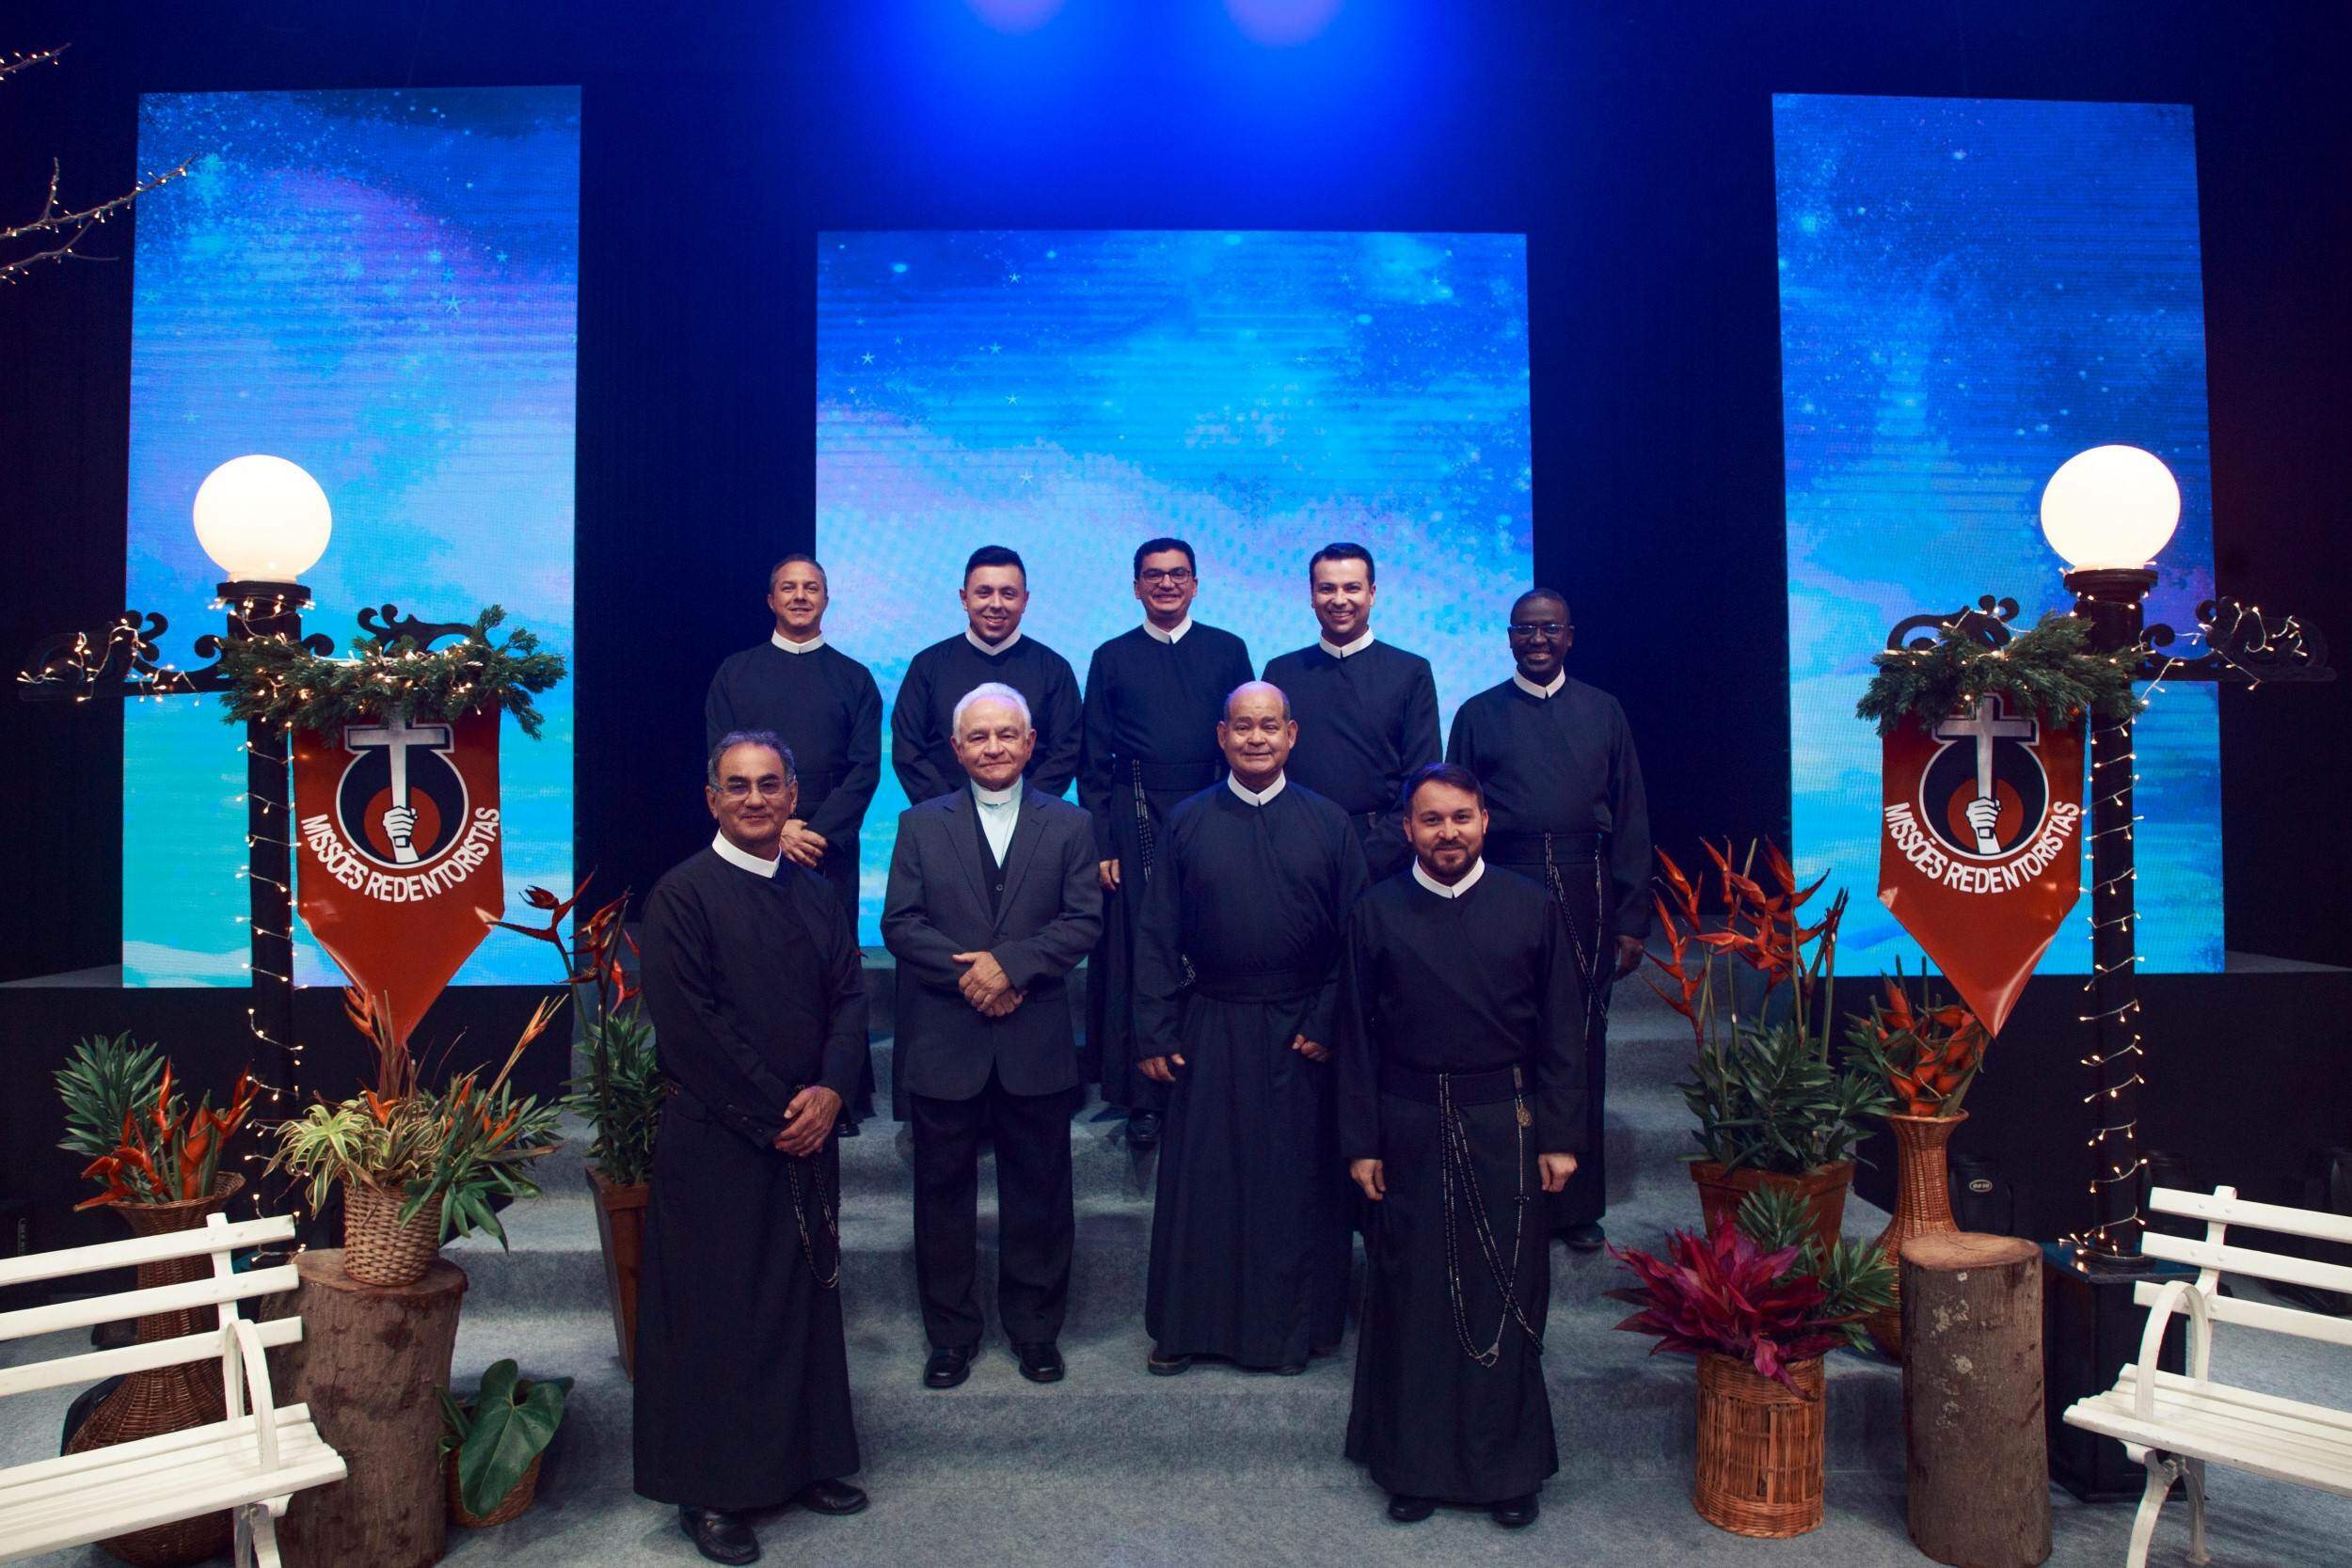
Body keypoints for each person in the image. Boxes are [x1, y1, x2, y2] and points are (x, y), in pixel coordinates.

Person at [634, 731, 871, 1564]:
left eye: (770, 784)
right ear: (712, 799)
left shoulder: (816, 894)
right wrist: (781, 1110)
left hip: (808, 1129)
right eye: (738, 785)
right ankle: (715, 1491)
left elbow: (850, 998)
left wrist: (832, 1089)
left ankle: (803, 1461)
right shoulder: (682, 896)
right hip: (722, 1139)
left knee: (802, 1303)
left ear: (793, 795)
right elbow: (692, 1027)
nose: (756, 798)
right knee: (720, 1311)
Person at [1335, 763, 1584, 1530]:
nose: (1448, 832)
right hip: (1406, 1122)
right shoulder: (1374, 911)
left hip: (1504, 1119)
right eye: (1432, 819)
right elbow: (1355, 1037)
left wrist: (1561, 1137)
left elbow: (1562, 1033)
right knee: (1412, 1295)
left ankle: (1507, 1471)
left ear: (1485, 821)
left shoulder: (1532, 906)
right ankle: (1412, 1466)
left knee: (1502, 1296)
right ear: (1408, 828)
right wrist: (1362, 1141)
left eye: (1461, 817)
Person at [1135, 681, 1367, 1375]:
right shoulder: (1187, 821)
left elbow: (1357, 938)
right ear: (1222, 736)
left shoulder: (1330, 822)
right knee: (1204, 1183)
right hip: (1211, 1021)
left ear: (1291, 735)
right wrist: (1154, 1029)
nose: (1256, 738)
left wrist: (1327, 1018)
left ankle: (1293, 1331)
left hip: (1302, 1029)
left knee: (1295, 1184)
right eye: (1243, 726)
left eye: (1269, 725)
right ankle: (1189, 1327)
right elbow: (1156, 932)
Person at [882, 682, 1103, 1391]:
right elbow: (901, 923)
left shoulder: (1070, 823)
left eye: (1007, 734)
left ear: (1030, 743)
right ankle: (950, 1337)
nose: (993, 747)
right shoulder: (919, 823)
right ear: (956, 748)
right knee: (941, 1196)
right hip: (946, 1040)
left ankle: (1036, 1331)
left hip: (1034, 1039)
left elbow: (1083, 921)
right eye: (978, 736)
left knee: (1040, 1193)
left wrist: (1011, 967)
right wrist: (976, 977)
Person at [1445, 588, 1649, 1251]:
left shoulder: (1604, 709)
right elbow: (1454, 814)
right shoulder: (1477, 713)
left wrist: (1632, 917)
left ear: (1569, 636)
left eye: (1549, 629)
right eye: (1524, 629)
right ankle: (1502, 1193)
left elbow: (1631, 816)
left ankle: (1575, 1205)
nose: (1536, 640)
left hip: (1586, 886)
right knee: (1504, 1033)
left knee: (1580, 1039)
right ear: (1509, 636)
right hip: (1502, 881)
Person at [1078, 537, 1255, 1149]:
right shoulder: (1111, 656)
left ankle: (1211, 1083)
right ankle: (1143, 1097)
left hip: (1215, 807)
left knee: (1213, 941)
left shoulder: (1228, 650)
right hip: (1134, 814)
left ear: (1196, 584)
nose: (1166, 584)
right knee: (1140, 950)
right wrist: (1103, 842)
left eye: (1178, 574)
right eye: (1153, 575)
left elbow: (1247, 737)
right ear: (1136, 587)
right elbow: (1092, 758)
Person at [705, 552, 884, 1131]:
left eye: (811, 587)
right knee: (757, 967)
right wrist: (777, 824)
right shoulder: (735, 673)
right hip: (754, 837)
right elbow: (720, 761)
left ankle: (841, 1095)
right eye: (789, 587)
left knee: (833, 969)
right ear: (771, 600)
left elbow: (865, 768)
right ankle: (768, 1093)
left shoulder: (854, 677)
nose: (800, 596)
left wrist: (817, 833)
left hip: (829, 848)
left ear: (826, 599)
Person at [1261, 543, 1440, 881]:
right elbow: (1265, 766)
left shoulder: (1410, 672)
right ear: (1312, 596)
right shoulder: (1281, 672)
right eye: (1327, 588)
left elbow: (1421, 777)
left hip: (1385, 856)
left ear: (1372, 594)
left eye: (1352, 588)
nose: (1339, 600)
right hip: (1295, 848)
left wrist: (1370, 857)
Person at [891, 546, 1083, 806]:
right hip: (943, 818)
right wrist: (950, 813)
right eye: (984, 592)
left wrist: (1024, 813)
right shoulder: (927, 666)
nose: (996, 604)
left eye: (1008, 594)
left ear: (1025, 600)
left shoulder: (1054, 669)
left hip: (1033, 820)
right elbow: (908, 750)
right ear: (964, 598)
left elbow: (1066, 753)